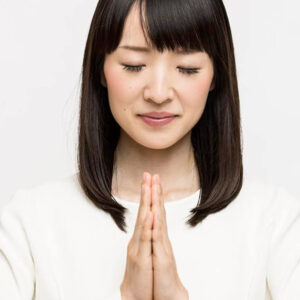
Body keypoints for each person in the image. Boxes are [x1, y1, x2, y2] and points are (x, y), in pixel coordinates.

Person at [1, 0, 300, 299]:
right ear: (100, 69)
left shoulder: (275, 223)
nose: (158, 93)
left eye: (187, 68)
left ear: (215, 76)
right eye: (133, 66)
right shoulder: (29, 225)